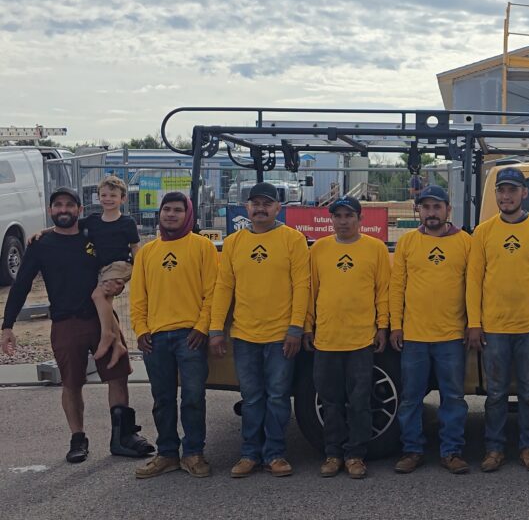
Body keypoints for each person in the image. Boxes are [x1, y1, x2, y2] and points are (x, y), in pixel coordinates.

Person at [2, 188, 153, 463]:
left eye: (69, 205)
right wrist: (7, 325)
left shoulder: (92, 235)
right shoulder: (40, 245)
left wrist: (119, 282)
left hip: (101, 319)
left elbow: (117, 260)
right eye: (57, 205)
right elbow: (22, 284)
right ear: (51, 211)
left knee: (117, 376)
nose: (63, 210)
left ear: (79, 210)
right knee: (71, 383)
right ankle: (78, 438)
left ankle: (123, 436)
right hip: (65, 322)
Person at [209, 182, 310, 478]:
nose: (261, 208)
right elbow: (224, 286)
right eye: (255, 203)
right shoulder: (234, 242)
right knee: (252, 398)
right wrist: (216, 329)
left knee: (278, 397)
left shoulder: (293, 240)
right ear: (247, 208)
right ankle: (250, 454)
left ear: (278, 208)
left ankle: (275, 454)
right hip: (244, 335)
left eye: (267, 203)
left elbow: (302, 285)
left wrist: (295, 328)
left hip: (281, 336)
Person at [466, 167, 529, 473]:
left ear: (524, 193)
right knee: (495, 394)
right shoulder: (484, 232)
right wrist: (474, 323)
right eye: (501, 191)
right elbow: (474, 280)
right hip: (494, 327)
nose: (506, 196)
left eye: (512, 190)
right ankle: (494, 449)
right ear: (496, 195)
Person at [130, 192, 218, 479]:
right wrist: (141, 329)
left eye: (177, 210)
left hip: (190, 336)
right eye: (166, 209)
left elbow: (212, 293)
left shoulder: (203, 247)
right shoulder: (147, 252)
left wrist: (202, 327)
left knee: (193, 397)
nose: (170, 214)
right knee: (162, 399)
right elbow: (138, 298)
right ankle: (167, 454)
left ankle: (193, 453)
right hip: (155, 338)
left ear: (188, 214)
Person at [304, 195, 389, 479]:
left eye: (348, 216)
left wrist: (382, 326)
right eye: (337, 216)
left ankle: (355, 455)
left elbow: (383, 292)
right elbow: (310, 291)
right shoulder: (319, 249)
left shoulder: (375, 249)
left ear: (360, 219)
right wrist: (307, 326)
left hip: (361, 340)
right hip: (326, 339)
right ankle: (332, 454)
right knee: (330, 402)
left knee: (360, 402)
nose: (342, 221)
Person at [390, 185, 473, 475]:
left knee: (453, 398)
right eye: (425, 207)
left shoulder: (465, 242)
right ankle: (412, 450)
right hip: (414, 336)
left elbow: (473, 288)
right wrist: (396, 325)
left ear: (448, 210)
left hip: (451, 335)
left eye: (437, 207)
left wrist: (472, 323)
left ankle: (451, 451)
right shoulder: (407, 242)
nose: (431, 213)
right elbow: (397, 286)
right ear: (419, 211)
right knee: (411, 398)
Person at [30, 174, 141, 369]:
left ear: (122, 199)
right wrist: (43, 232)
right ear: (98, 197)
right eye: (104, 195)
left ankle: (108, 336)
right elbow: (64, 226)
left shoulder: (127, 222)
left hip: (120, 265)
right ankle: (117, 344)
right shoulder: (93, 220)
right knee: (105, 301)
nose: (108, 199)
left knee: (97, 296)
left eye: (113, 195)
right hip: (102, 267)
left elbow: (135, 247)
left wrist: (139, 271)